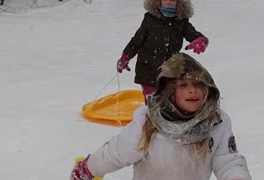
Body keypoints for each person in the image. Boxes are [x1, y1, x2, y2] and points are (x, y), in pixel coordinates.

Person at [71, 53, 252, 180]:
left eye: (198, 84)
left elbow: (227, 160)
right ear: (169, 91)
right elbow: (117, 153)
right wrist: (88, 168)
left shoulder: (216, 123)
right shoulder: (148, 122)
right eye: (183, 85)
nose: (192, 90)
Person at [116, 0, 209, 102]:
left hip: (170, 70)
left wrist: (201, 41)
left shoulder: (181, 21)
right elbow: (136, 41)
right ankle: (150, 115)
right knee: (152, 101)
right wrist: (125, 57)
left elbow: (194, 35)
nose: (168, 1)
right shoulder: (149, 19)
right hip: (147, 69)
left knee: (170, 101)